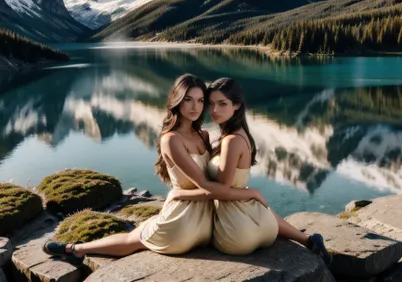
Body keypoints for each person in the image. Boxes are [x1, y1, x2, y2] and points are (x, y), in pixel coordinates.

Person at [43, 74, 266, 264]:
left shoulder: (188, 136)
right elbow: (211, 185)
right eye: (188, 100)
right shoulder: (185, 138)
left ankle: (76, 249)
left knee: (133, 239)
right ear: (176, 100)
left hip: (186, 225)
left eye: (200, 100)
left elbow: (211, 186)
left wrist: (178, 193)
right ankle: (76, 248)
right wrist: (251, 192)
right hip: (207, 224)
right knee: (140, 231)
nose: (195, 107)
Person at [168, 77, 332, 266]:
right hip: (265, 227)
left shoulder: (230, 140)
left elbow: (221, 190)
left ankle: (307, 240)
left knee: (197, 234)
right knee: (258, 206)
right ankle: (309, 241)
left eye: (222, 104)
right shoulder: (241, 134)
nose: (214, 111)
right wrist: (251, 194)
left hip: (235, 234)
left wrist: (178, 193)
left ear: (237, 105)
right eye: (211, 104)